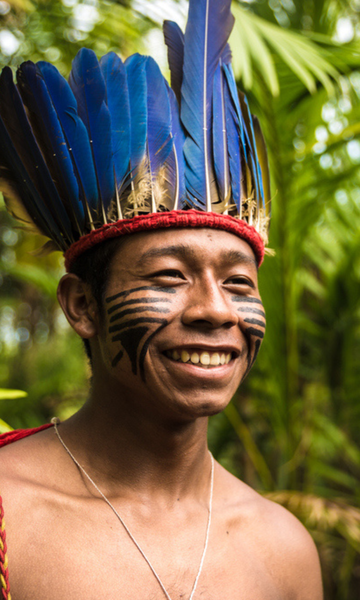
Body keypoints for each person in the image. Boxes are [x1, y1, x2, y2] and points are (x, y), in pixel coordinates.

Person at [0, 0, 323, 598]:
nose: (217, 310)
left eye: (238, 283)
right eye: (169, 276)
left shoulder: (284, 552)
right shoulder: (8, 518)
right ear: (82, 306)